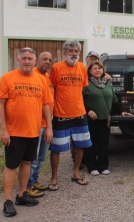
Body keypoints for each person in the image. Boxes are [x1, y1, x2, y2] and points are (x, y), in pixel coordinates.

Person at [0, 48, 52, 217]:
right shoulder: (7, 78)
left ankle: (21, 195)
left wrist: (49, 127)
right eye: (24, 58)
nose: (27, 61)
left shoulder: (41, 80)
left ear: (35, 61)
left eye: (30, 58)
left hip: (34, 131)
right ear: (18, 60)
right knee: (11, 166)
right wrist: (3, 130)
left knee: (27, 164)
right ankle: (8, 201)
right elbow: (0, 105)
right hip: (13, 132)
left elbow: (46, 106)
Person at [49, 39, 92, 190]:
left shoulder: (82, 68)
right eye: (71, 51)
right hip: (61, 114)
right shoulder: (56, 68)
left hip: (80, 114)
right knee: (56, 148)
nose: (74, 54)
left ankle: (76, 173)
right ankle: (54, 177)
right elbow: (51, 90)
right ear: (64, 52)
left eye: (76, 51)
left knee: (80, 146)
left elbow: (84, 89)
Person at [83, 61, 131, 175]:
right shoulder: (85, 84)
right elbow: (79, 100)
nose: (98, 70)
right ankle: (92, 167)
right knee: (91, 143)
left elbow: (114, 99)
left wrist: (121, 111)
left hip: (105, 118)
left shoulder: (107, 83)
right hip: (91, 119)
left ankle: (103, 166)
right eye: (94, 68)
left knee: (104, 143)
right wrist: (88, 111)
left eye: (99, 68)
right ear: (90, 71)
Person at [26, 52, 55, 198]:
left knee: (41, 157)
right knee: (32, 158)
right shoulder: (33, 75)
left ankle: (34, 180)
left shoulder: (47, 77)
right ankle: (28, 186)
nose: (47, 62)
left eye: (50, 60)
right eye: (45, 59)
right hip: (35, 125)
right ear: (37, 60)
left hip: (46, 124)